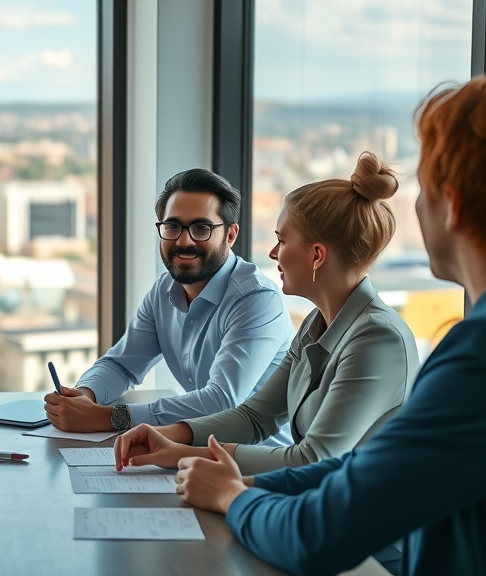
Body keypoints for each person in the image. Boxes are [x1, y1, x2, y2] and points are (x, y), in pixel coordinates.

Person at [171, 78, 486, 576]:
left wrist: (233, 496)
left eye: (425, 189)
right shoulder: (319, 322)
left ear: (454, 205)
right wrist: (216, 471)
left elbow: (325, 524)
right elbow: (361, 470)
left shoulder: (468, 355)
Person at [114, 152, 419, 476]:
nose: (273, 254)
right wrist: (167, 436)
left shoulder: (377, 339)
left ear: (316, 256)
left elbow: (314, 459)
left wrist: (188, 456)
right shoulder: (315, 327)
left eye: (281, 241)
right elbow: (254, 417)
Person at [45, 169, 294, 444]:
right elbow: (122, 366)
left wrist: (108, 417)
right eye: (173, 226)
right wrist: (85, 395)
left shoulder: (257, 299)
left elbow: (222, 400)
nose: (183, 241)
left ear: (231, 235)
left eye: (201, 228)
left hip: (261, 466)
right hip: (195, 453)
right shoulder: (164, 291)